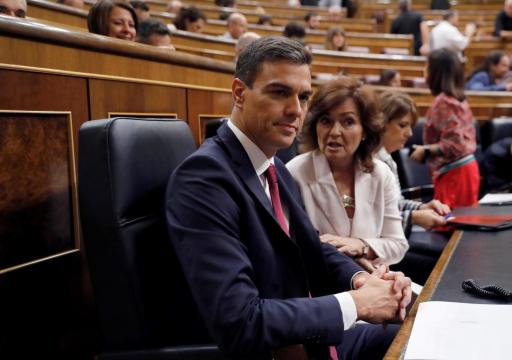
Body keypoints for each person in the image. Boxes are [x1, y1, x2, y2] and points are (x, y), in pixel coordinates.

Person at [165, 36, 411, 360]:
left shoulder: (275, 168)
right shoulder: (204, 179)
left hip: (306, 335)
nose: (296, 110)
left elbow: (312, 247)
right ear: (239, 93)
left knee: (412, 333)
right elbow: (240, 321)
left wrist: (362, 279)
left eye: (304, 96)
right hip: (275, 349)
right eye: (280, 92)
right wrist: (357, 304)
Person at [287, 78, 409, 271]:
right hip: (320, 290)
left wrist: (361, 245)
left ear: (365, 131)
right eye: (326, 121)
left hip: (374, 283)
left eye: (348, 122)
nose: (335, 132)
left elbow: (398, 245)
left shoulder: (380, 173)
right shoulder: (295, 172)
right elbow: (294, 249)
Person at [411, 48, 480, 208]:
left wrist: (425, 150)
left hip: (455, 174)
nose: (424, 71)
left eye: (426, 67)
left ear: (435, 72)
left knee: (449, 226)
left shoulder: (443, 103)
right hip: (464, 170)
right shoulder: (458, 99)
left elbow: (454, 145)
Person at [376, 91, 450, 233]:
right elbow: (363, 216)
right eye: (402, 125)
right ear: (381, 124)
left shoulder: (387, 159)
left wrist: (422, 207)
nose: (410, 133)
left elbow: (395, 204)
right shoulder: (366, 163)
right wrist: (413, 218)